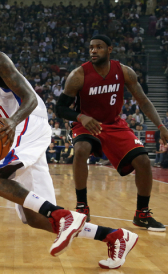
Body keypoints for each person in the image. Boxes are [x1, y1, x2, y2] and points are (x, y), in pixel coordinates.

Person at [0, 17, 138, 269]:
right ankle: (114, 236)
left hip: (27, 120)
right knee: (36, 216)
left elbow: (29, 97)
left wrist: (12, 122)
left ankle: (63, 217)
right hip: (11, 131)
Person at [56, 34, 166, 232]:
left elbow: (143, 101)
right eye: (91, 47)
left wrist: (161, 126)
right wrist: (81, 117)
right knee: (81, 150)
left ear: (109, 49)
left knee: (143, 160)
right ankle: (82, 208)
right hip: (86, 123)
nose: (93, 51)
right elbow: (60, 108)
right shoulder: (78, 75)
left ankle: (142, 214)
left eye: (98, 47)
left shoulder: (124, 72)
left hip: (114, 124)